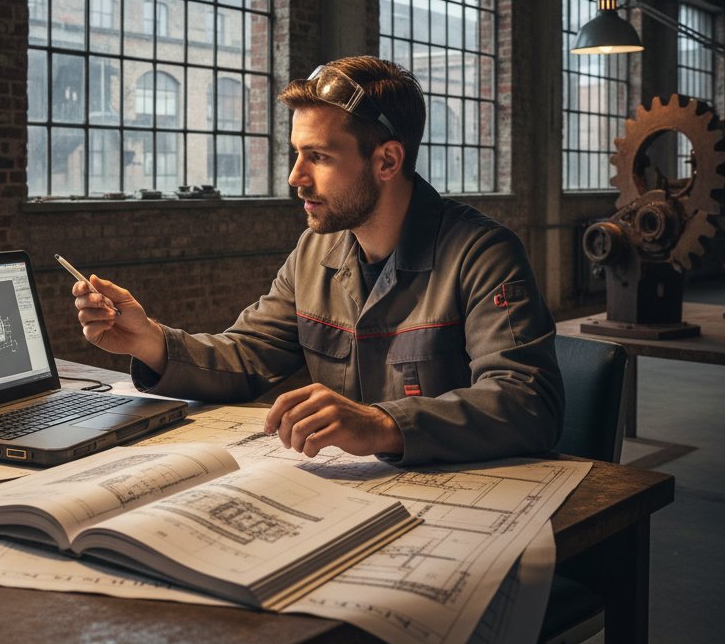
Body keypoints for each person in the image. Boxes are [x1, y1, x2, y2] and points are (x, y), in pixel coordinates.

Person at [72, 55, 564, 468]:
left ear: (387, 161)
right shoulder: (315, 251)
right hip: (344, 495)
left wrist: (381, 424)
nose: (295, 177)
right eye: (295, 154)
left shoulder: (482, 253)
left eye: (319, 157)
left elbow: (525, 401)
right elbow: (248, 356)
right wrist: (153, 343)